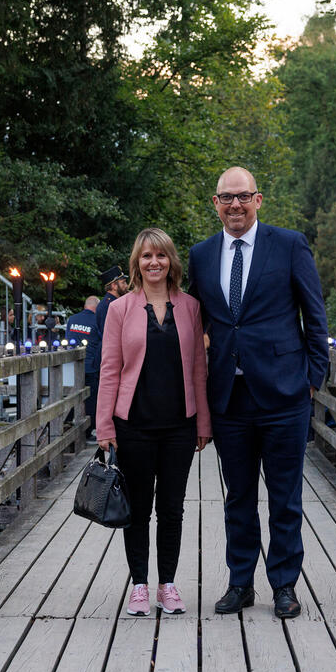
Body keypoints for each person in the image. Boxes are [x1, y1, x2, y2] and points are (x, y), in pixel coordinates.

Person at [188, 166, 329, 619]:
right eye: (226, 198)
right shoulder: (202, 255)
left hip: (286, 394)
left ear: (258, 200)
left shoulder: (289, 244)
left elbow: (315, 314)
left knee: (286, 497)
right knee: (239, 498)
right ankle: (240, 583)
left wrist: (314, 377)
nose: (235, 205)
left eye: (243, 196)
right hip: (229, 398)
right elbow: (193, 323)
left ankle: (284, 585)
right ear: (215, 204)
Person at [96, 228, 211, 617]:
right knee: (139, 509)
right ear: (137, 264)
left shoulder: (191, 308)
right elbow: (109, 370)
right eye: (146, 256)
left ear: (171, 261)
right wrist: (105, 427)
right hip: (134, 426)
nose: (154, 262)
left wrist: (203, 424)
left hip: (180, 425)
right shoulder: (120, 309)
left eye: (160, 255)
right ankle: (139, 586)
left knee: (172, 509)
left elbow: (198, 367)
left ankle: (168, 585)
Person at [66, 296, 100, 434]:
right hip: (91, 366)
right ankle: (89, 429)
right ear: (96, 308)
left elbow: (68, 340)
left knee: (72, 395)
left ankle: (66, 420)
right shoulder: (97, 320)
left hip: (72, 366)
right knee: (92, 398)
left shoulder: (72, 319)